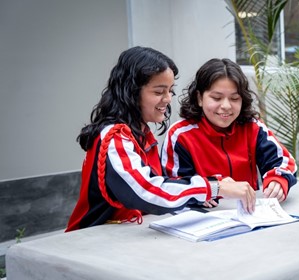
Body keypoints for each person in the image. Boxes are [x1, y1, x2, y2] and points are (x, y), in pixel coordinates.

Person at [66, 47, 256, 232]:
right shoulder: (115, 137)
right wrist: (214, 187)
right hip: (90, 239)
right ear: (132, 92)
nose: (167, 99)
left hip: (126, 235)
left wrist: (201, 194)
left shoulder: (140, 133)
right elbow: (147, 191)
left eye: (170, 91)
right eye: (158, 92)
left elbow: (162, 183)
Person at [161, 58, 297, 208]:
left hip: (250, 216)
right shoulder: (180, 135)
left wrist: (278, 180)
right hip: (204, 221)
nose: (226, 106)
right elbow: (173, 184)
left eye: (234, 98)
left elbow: (284, 161)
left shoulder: (252, 127)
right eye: (216, 98)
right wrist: (200, 193)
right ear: (199, 98)